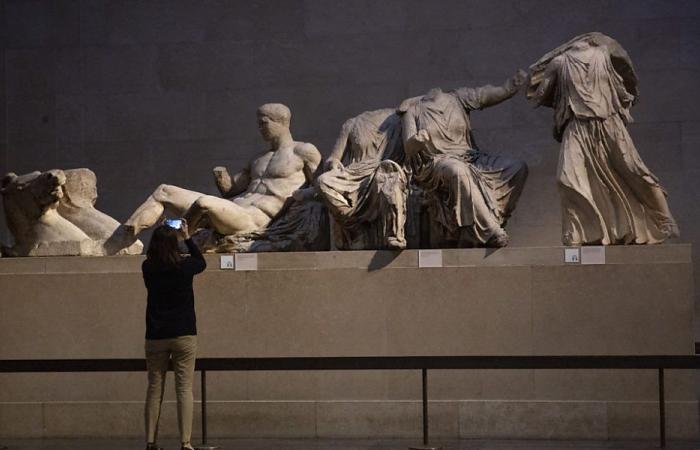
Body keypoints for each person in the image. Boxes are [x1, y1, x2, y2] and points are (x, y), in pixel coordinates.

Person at [527, 32, 679, 245]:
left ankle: (665, 218)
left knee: (632, 168)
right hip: (577, 125)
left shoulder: (602, 54)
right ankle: (577, 233)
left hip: (609, 123)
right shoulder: (560, 62)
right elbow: (539, 95)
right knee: (567, 177)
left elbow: (622, 84)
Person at [116, 103, 321, 247]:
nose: (259, 128)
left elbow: (322, 185)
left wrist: (301, 201)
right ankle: (121, 241)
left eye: (264, 123)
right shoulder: (258, 159)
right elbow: (232, 190)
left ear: (281, 121)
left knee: (205, 203)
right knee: (164, 191)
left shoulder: (303, 151)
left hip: (256, 220)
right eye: (258, 123)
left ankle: (176, 237)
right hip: (234, 210)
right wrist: (221, 175)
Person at [399, 72, 529, 247]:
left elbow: (488, 94)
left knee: (517, 167)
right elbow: (409, 147)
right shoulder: (413, 110)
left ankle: (490, 218)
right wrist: (417, 140)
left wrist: (510, 87)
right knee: (458, 170)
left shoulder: (458, 98)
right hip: (436, 163)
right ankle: (490, 230)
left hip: (471, 158)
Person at [142, 220, 206, 450]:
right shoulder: (185, 266)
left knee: (154, 388)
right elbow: (201, 262)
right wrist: (186, 236)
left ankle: (151, 441)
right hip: (184, 333)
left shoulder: (148, 267)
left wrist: (163, 232)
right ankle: (185, 442)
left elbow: (157, 260)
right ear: (174, 243)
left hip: (156, 334)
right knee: (184, 388)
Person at [317, 108, 408, 250]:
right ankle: (352, 224)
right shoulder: (352, 124)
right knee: (323, 181)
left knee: (387, 178)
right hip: (353, 175)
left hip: (384, 171)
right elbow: (334, 157)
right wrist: (334, 164)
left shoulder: (401, 120)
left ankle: (393, 235)